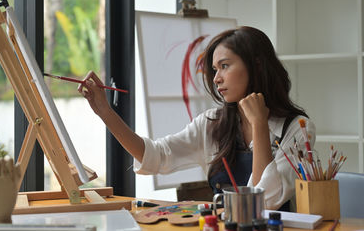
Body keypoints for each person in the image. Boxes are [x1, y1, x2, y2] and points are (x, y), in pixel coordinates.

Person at [78, 26, 315, 210]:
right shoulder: (212, 123)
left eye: (224, 66)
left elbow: (264, 202)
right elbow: (155, 155)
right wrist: (105, 112)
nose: (216, 78)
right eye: (214, 70)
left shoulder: (298, 129)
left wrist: (260, 125)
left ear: (257, 66)